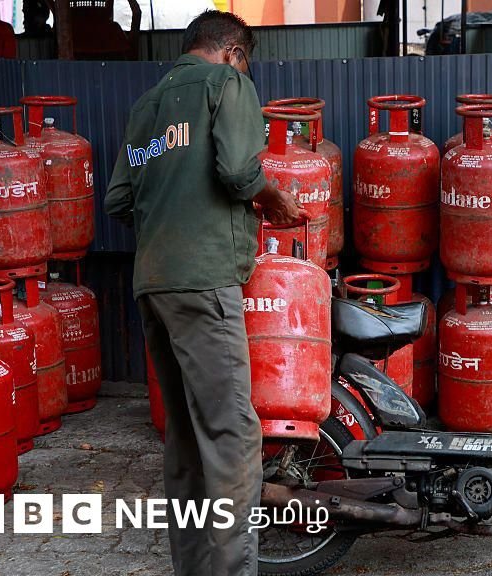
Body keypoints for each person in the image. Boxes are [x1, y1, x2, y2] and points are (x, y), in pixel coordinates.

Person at [104, 10, 307, 576]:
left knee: (188, 441)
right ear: (234, 53)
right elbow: (239, 172)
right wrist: (274, 199)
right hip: (204, 282)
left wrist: (171, 217)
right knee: (232, 435)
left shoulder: (147, 106)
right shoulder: (227, 83)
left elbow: (118, 201)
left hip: (153, 284)